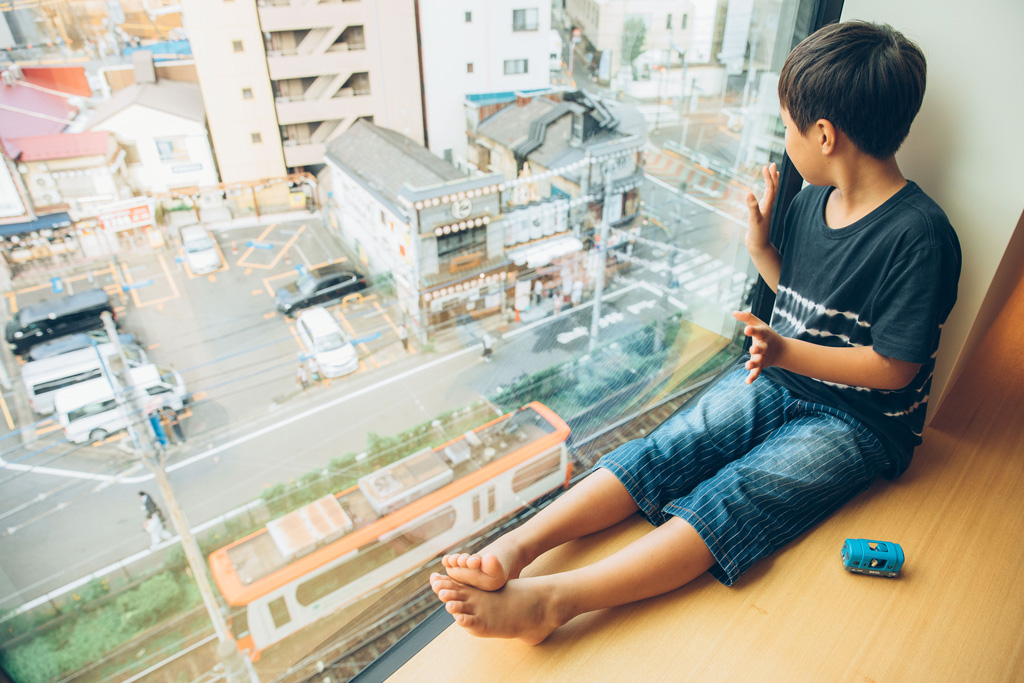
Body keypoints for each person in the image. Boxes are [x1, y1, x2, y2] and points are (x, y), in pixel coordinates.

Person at [430, 21, 961, 645]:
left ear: (824, 134)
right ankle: (521, 546)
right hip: (781, 375)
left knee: (739, 492)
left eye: (789, 125)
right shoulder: (812, 200)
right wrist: (763, 250)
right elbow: (810, 296)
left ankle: (556, 601)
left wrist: (787, 349)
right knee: (672, 443)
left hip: (860, 422)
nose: (784, 139)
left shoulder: (919, 236)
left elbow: (896, 366)